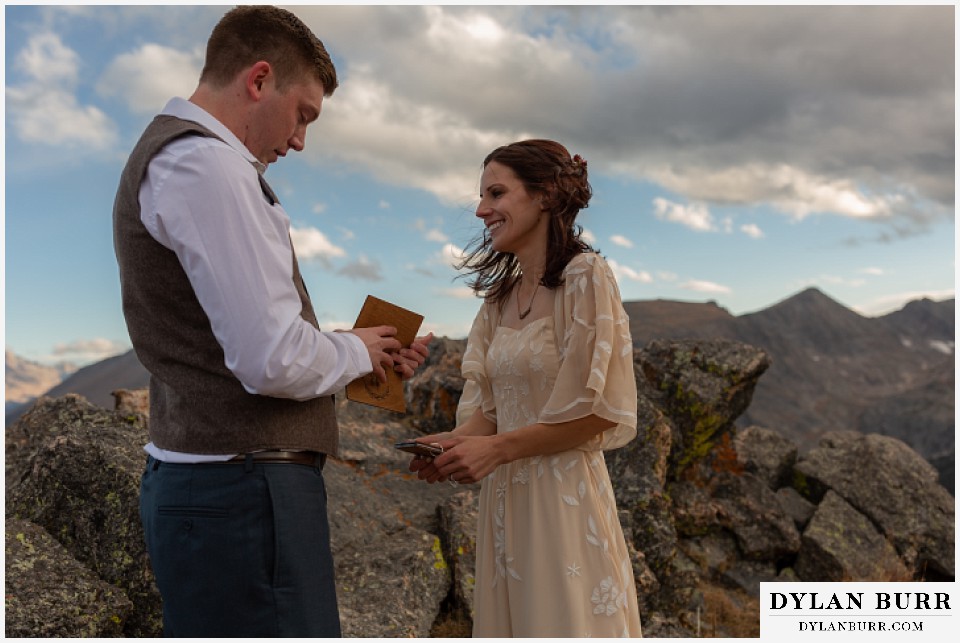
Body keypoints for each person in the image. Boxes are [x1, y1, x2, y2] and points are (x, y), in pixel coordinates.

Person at [112, 6, 431, 637]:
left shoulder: (185, 160)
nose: (300, 140)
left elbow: (241, 340)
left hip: (220, 488)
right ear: (259, 80)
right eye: (303, 113)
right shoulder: (209, 167)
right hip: (242, 495)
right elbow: (272, 360)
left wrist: (353, 347)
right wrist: (358, 353)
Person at [409, 139, 642, 637]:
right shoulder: (499, 300)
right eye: (482, 196)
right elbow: (490, 414)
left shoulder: (586, 277)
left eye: (496, 193)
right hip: (505, 506)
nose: (481, 209)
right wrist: (449, 446)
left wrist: (496, 449)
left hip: (562, 500)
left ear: (544, 195)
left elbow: (602, 409)